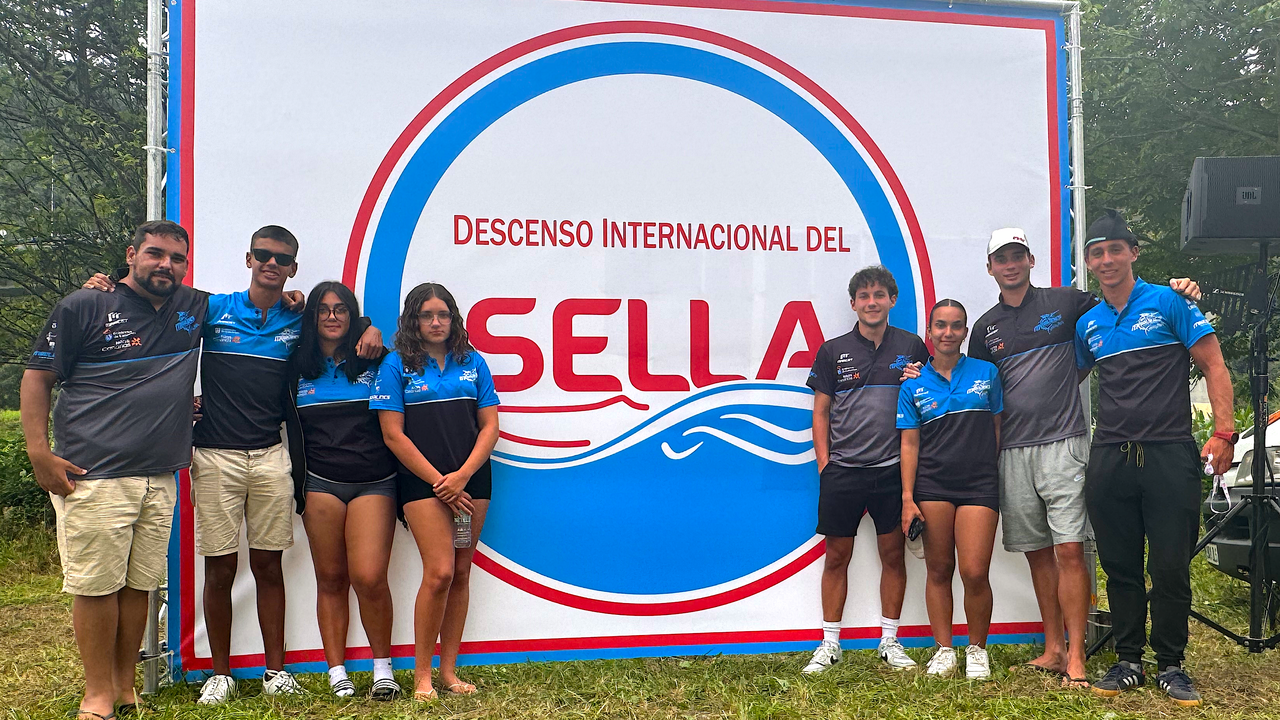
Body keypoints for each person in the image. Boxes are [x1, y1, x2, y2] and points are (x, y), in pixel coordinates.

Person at [83, 225, 381, 704]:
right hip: (216, 454)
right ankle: (219, 673)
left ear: (292, 269)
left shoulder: (297, 317)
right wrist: (109, 282)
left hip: (269, 455)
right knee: (219, 570)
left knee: (269, 566)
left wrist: (370, 328)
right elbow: (151, 292)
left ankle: (275, 671)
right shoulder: (213, 307)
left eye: (282, 259)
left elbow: (338, 324)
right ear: (248, 258)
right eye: (263, 255)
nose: (271, 264)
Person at [967, 227, 1201, 687]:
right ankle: (1054, 649)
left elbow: (1125, 301)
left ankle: (1077, 655)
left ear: (1032, 260)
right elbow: (976, 382)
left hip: (1066, 442)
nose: (1010, 264)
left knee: (1070, 550)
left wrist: (1182, 290)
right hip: (1013, 451)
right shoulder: (984, 328)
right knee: (1038, 554)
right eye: (1001, 259)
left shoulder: (1069, 303)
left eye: (1018, 256)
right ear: (990, 268)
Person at [21, 221, 206, 720]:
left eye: (177, 258)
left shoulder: (193, 308)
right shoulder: (84, 306)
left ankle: (126, 688)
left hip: (160, 474)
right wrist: (39, 454)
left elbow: (260, 306)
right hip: (93, 473)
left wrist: (296, 298)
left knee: (137, 586)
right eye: (155, 254)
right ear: (131, 255)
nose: (166, 265)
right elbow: (37, 379)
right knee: (97, 588)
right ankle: (96, 693)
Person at [1075, 209, 1234, 707]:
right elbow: (1064, 381)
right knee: (1120, 566)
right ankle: (1127, 660)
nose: (1107, 260)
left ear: (1133, 252)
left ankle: (1171, 665)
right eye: (1097, 252)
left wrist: (1225, 435)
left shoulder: (1169, 302)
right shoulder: (1088, 324)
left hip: (1169, 454)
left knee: (1169, 566)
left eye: (1115, 249)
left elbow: (1214, 365)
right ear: (1089, 261)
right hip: (1110, 458)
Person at [371, 282, 499, 701]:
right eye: (426, 315)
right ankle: (421, 675)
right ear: (413, 320)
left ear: (453, 318)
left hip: (471, 481)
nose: (436, 322)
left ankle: (448, 673)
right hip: (423, 484)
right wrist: (441, 483)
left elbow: (490, 427)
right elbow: (393, 435)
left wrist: (461, 476)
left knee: (461, 572)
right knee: (440, 571)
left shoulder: (473, 361)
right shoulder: (395, 365)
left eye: (443, 314)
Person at [802, 266, 929, 674]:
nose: (872, 302)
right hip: (843, 471)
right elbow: (820, 412)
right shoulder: (832, 350)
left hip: (892, 470)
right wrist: (826, 465)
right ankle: (829, 643)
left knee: (894, 555)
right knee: (837, 556)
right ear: (854, 303)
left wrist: (919, 381)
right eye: (864, 296)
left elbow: (927, 401)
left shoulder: (912, 346)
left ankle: (889, 640)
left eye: (879, 295)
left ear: (892, 300)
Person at [283, 281, 400, 700]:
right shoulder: (295, 367)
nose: (332, 317)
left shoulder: (378, 360)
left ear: (353, 316)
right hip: (321, 484)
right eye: (323, 310)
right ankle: (337, 671)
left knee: (369, 577)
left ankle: (383, 668)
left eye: (342, 310)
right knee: (330, 578)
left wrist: (372, 328)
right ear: (311, 317)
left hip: (375, 482)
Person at [898, 299, 1002, 680]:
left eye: (956, 326)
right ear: (929, 332)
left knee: (975, 571)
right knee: (940, 569)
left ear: (965, 332)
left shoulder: (987, 373)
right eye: (940, 326)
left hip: (979, 485)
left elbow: (997, 431)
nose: (947, 333)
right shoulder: (912, 383)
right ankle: (944, 650)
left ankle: (977, 649)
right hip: (932, 484)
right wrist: (908, 499)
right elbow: (909, 445)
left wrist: (988, 471)